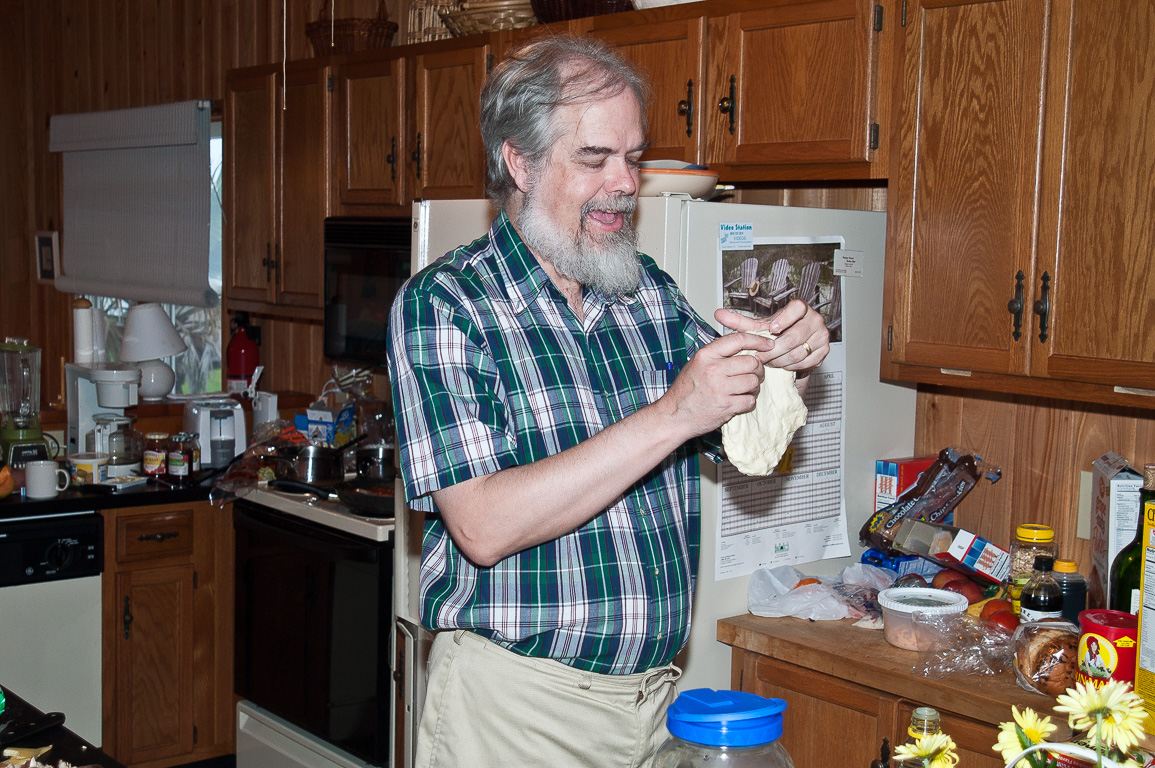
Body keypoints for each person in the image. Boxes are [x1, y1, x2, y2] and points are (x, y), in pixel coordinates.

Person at [386, 34, 830, 768]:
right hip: (513, 715)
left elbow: (748, 441)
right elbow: (482, 526)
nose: (624, 183)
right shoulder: (447, 304)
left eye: (634, 157)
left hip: (654, 707)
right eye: (593, 159)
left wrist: (788, 365)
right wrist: (674, 414)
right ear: (518, 162)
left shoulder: (643, 289)